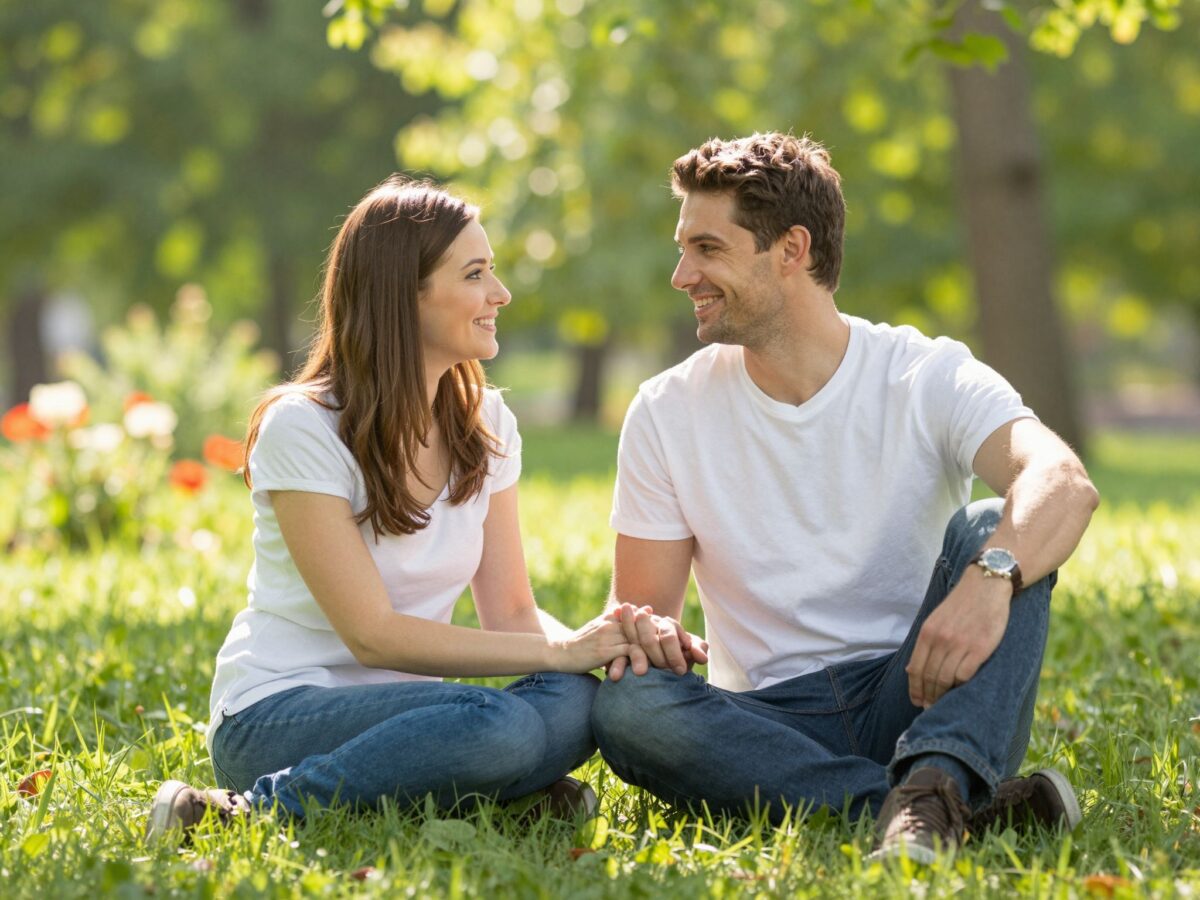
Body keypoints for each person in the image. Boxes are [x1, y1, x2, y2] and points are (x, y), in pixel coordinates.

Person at [589, 133, 1099, 862]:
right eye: (683, 248)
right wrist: (648, 636)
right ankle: (927, 803)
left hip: (924, 688)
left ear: (791, 250)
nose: (681, 274)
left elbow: (1063, 482)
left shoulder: (926, 374)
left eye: (707, 248)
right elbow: (640, 622)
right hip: (766, 723)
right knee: (629, 704)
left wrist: (989, 580)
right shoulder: (665, 410)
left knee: (997, 524)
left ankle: (934, 770)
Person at [146, 177, 633, 841]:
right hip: (282, 714)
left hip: (425, 714)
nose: (501, 294)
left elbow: (512, 615)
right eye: (475, 274)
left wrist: (598, 649)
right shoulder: (304, 427)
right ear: (405, 293)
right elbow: (370, 634)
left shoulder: (486, 421)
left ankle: (461, 787)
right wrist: (563, 651)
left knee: (579, 700)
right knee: (498, 726)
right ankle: (248, 812)